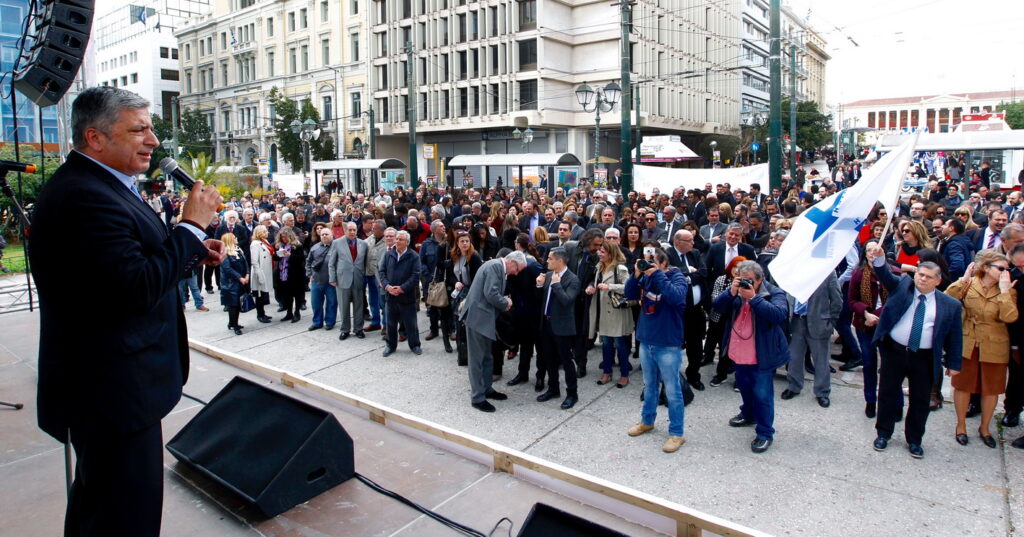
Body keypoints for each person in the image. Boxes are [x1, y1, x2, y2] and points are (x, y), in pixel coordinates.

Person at [30, 86, 223, 536]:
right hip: (112, 391)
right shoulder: (84, 197)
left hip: (112, 388)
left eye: (151, 128)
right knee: (122, 518)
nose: (153, 140)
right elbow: (134, 290)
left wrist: (191, 249)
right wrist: (192, 225)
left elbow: (126, 269)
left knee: (102, 507)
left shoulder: (101, 185)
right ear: (95, 138)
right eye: (139, 129)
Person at [865, 242, 962, 459]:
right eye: (920, 274)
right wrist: (879, 259)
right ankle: (883, 433)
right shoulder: (902, 286)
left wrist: (954, 364)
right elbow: (885, 275)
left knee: (920, 400)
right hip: (895, 351)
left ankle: (915, 439)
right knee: (888, 394)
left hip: (925, 358)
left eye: (928, 276)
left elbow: (954, 336)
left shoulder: (950, 305)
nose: (923, 279)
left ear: (938, 280)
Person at [714, 260, 790, 453]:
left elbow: (779, 315)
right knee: (745, 387)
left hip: (762, 353)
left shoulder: (774, 292)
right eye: (741, 280)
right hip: (739, 350)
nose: (745, 284)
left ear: (760, 280)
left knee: (763, 395)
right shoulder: (736, 290)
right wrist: (731, 292)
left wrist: (754, 298)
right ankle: (748, 414)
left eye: (750, 281)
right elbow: (717, 307)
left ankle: (765, 433)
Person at [945, 252, 1018, 448]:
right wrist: (963, 280)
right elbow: (946, 299)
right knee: (962, 385)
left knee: (991, 389)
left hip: (994, 344)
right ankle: (961, 426)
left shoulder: (1008, 289)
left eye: (1007, 269)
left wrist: (1004, 293)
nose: (1005, 273)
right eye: (1001, 268)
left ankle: (985, 428)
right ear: (986, 267)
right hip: (968, 341)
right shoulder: (970, 284)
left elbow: (1010, 317)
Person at [624, 249, 688, 453]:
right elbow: (629, 294)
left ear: (664, 262)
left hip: (668, 342)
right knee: (649, 385)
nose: (648, 265)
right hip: (646, 339)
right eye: (646, 261)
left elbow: (676, 298)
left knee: (672, 390)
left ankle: (677, 433)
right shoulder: (644, 277)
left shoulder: (677, 277)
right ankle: (647, 420)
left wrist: (656, 273)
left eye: (652, 261)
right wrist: (636, 275)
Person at [462, 252, 527, 412]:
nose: (516, 273)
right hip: (477, 318)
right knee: (477, 359)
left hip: (484, 318)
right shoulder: (495, 267)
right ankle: (477, 397)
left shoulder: (496, 267)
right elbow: (490, 293)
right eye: (517, 269)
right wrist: (505, 302)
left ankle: (487, 389)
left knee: (487, 356)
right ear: (512, 262)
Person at [781, 272, 842, 408]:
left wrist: (831, 322)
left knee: (821, 359)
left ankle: (822, 392)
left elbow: (837, 299)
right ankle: (793, 386)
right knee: (794, 357)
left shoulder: (827, 272)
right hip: (797, 320)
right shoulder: (795, 270)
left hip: (819, 322)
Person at [848, 242, 892, 418]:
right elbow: (851, 300)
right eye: (868, 250)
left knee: (890, 366)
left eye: (876, 250)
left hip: (887, 326)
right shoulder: (858, 275)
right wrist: (866, 313)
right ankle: (870, 401)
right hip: (864, 325)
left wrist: (877, 316)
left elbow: (896, 299)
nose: (872, 254)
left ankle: (893, 402)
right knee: (869, 364)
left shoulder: (893, 273)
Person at [535, 247, 583, 409]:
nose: (546, 261)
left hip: (562, 327)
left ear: (560, 261)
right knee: (549, 359)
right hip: (546, 324)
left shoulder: (573, 279)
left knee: (566, 361)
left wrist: (556, 285)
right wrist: (540, 286)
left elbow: (567, 301)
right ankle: (553, 388)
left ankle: (572, 394)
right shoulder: (548, 275)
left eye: (549, 258)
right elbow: (542, 301)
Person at [590, 242, 634, 388]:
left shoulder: (620, 268)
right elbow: (595, 283)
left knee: (620, 344)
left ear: (611, 253)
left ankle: (624, 374)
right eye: (599, 251)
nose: (599, 254)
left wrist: (609, 286)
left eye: (603, 252)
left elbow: (629, 288)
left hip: (616, 312)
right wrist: (591, 287)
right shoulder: (599, 267)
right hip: (603, 311)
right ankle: (607, 372)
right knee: (606, 343)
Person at [379, 230, 423, 356]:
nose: (397, 241)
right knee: (391, 324)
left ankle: (415, 345)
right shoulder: (389, 255)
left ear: (407, 242)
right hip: (390, 296)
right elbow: (382, 272)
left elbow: (415, 276)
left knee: (411, 323)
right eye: (397, 239)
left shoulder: (414, 256)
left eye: (400, 239)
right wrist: (387, 287)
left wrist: (402, 288)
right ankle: (390, 345)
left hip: (407, 297)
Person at [329, 221, 369, 340]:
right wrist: (333, 278)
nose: (352, 232)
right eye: (349, 230)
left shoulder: (363, 244)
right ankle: (345, 329)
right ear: (345, 230)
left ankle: (358, 329)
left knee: (359, 305)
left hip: (358, 279)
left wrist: (364, 277)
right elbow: (332, 263)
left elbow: (365, 262)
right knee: (344, 305)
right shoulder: (337, 243)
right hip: (342, 279)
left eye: (354, 230)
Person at [306, 227, 337, 330]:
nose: (324, 236)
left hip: (331, 282)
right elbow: (308, 262)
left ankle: (329, 322)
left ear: (331, 235)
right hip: (317, 280)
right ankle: (317, 322)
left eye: (326, 234)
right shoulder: (314, 248)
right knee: (316, 303)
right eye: (322, 234)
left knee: (332, 303)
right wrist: (310, 274)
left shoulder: (337, 246)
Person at [220, 233, 250, 335]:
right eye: (234, 238)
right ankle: (234, 325)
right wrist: (239, 277)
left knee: (237, 304)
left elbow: (246, 263)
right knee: (233, 305)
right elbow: (227, 269)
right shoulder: (225, 253)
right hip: (230, 283)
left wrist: (247, 274)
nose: (236, 239)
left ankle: (232, 322)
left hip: (240, 281)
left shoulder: (238, 250)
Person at [275, 228, 306, 323]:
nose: (284, 239)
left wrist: (290, 255)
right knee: (287, 295)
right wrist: (278, 254)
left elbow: (301, 259)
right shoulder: (280, 245)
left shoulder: (297, 246)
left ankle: (297, 312)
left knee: (296, 294)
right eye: (282, 237)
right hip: (283, 273)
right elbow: (275, 257)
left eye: (285, 237)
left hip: (295, 274)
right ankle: (289, 313)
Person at [249, 225, 275, 323]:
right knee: (259, 295)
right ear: (260, 233)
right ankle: (260, 314)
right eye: (265, 231)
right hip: (260, 272)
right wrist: (259, 274)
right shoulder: (255, 244)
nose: (267, 232)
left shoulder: (264, 241)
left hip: (266, 270)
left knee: (264, 294)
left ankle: (263, 313)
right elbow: (254, 261)